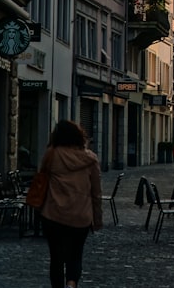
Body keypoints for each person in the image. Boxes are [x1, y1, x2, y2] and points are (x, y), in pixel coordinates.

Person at [39, 120, 103, 288]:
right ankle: (72, 283)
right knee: (75, 255)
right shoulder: (90, 159)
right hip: (80, 216)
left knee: (57, 258)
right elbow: (96, 193)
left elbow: (41, 179)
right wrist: (97, 219)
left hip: (53, 214)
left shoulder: (52, 154)